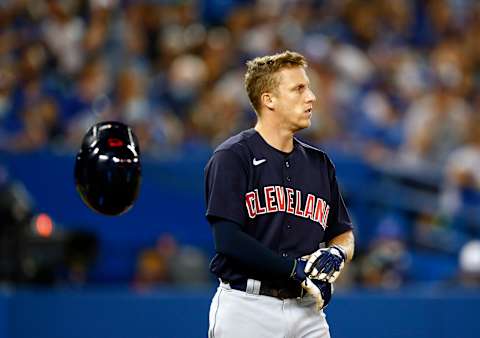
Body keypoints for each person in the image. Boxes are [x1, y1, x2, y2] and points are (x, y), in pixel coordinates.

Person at [204, 51, 355, 338]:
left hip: (308, 309)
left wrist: (337, 252)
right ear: (268, 99)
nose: (311, 97)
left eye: (308, 88)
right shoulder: (233, 156)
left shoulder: (320, 163)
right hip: (247, 307)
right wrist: (293, 269)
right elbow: (228, 240)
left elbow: (343, 232)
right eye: (298, 89)